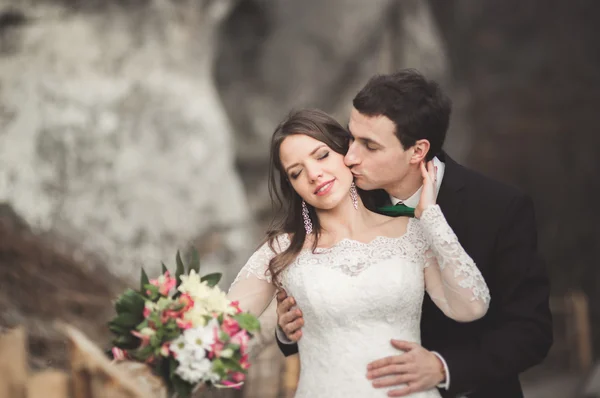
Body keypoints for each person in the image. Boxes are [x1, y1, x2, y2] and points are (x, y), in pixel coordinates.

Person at [275, 70, 553, 398]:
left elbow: (531, 331)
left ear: (417, 151)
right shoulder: (346, 194)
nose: (350, 157)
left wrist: (443, 367)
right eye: (352, 138)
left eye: (370, 146)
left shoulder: (500, 208)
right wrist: (287, 328)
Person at [227, 108, 490, 398]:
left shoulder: (412, 233)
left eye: (322, 155)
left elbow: (472, 307)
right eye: (297, 172)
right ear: (293, 187)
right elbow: (222, 330)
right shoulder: (282, 250)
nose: (314, 174)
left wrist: (430, 216)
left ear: (346, 152)